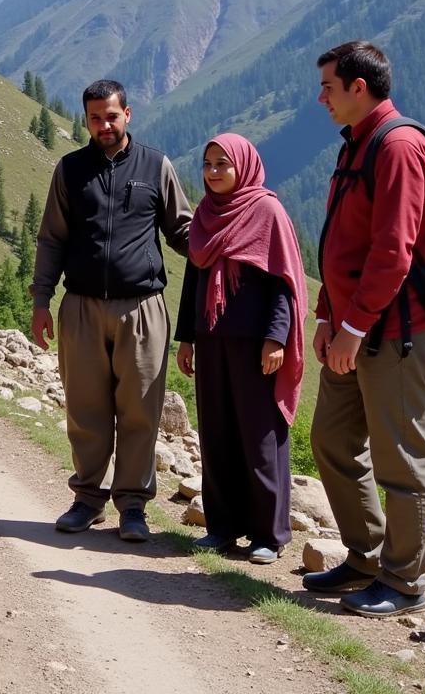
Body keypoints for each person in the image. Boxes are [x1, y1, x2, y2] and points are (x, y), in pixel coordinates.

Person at [303, 40, 425, 618]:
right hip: (352, 327)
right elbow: (345, 240)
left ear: (360, 88)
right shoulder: (358, 143)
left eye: (329, 87)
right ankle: (366, 556)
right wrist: (327, 314)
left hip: (394, 334)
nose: (321, 98)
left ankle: (406, 581)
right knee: (332, 440)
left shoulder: (400, 146)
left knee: (403, 459)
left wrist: (353, 328)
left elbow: (392, 252)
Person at [31, 79, 193, 540]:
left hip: (142, 308)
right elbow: (51, 239)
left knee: (141, 411)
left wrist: (220, 245)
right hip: (80, 306)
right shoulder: (69, 170)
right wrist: (42, 301)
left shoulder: (156, 166)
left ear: (129, 114)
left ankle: (134, 507)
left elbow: (181, 230)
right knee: (86, 410)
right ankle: (87, 499)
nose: (104, 125)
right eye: (95, 118)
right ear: (86, 120)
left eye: (112, 116)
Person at [174, 134, 307, 564]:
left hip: (255, 346)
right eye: (208, 164)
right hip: (212, 341)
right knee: (216, 434)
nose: (213, 172)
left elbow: (282, 285)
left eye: (222, 164)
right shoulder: (204, 214)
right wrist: (187, 338)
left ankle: (269, 535)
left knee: (261, 437)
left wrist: (276, 338)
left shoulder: (267, 212)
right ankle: (222, 528)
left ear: (244, 166)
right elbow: (194, 279)